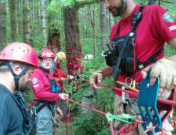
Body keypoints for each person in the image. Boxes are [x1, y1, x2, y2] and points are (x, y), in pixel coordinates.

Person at [90, 0, 176, 134]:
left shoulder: (153, 13)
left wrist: (170, 64)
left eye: (108, 0)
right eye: (103, 1)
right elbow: (117, 64)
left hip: (149, 100)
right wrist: (101, 72)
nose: (106, 5)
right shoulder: (115, 29)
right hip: (121, 102)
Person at [0, 42, 38, 135]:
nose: (30, 79)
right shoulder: (0, 101)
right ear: (17, 69)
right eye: (30, 73)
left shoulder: (8, 97)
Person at [30, 49, 68, 135]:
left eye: (50, 60)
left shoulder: (49, 74)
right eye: (46, 59)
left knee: (52, 130)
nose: (48, 62)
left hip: (50, 106)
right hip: (42, 108)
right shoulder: (37, 73)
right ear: (40, 60)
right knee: (45, 132)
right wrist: (58, 96)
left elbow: (50, 91)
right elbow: (39, 93)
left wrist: (56, 107)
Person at [52, 51, 74, 120]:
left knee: (62, 101)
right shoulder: (52, 66)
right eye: (60, 60)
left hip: (60, 87)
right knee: (55, 102)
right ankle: (57, 117)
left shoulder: (58, 66)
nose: (61, 62)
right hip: (54, 87)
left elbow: (61, 74)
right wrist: (58, 79)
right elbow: (49, 77)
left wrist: (68, 76)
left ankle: (63, 116)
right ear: (58, 58)